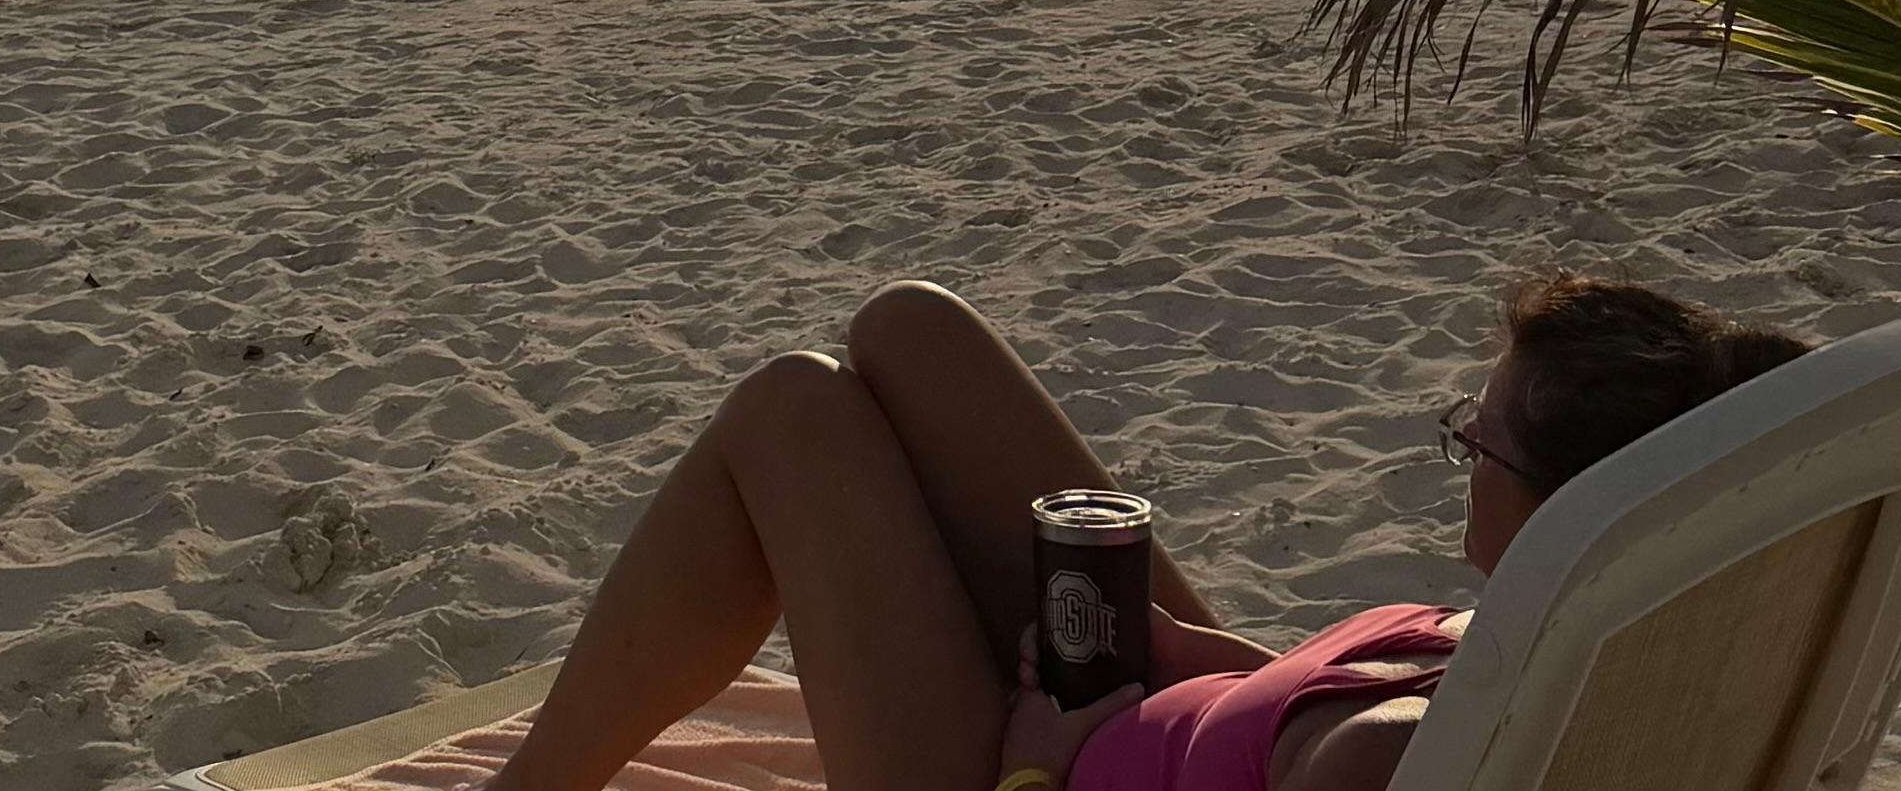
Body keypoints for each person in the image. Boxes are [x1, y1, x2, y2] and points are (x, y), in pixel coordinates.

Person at [494, 274, 1806, 791]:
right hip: (1150, 720)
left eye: (1481, 440)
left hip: (1037, 779)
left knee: (794, 412)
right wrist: (1207, 660)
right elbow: (1334, 709)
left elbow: (1355, 752)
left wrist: (1035, 767)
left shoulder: (1388, 764)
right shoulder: (1571, 632)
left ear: (1570, 500)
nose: (1464, 447)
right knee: (910, 329)